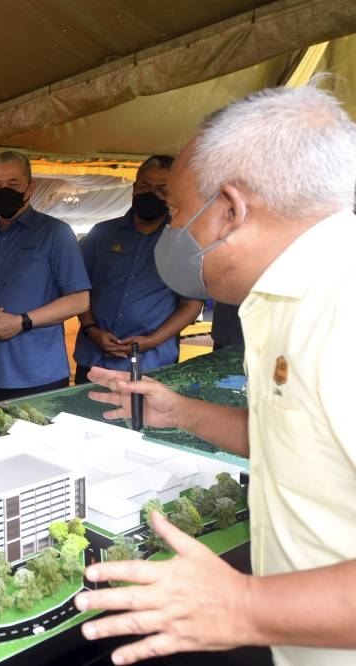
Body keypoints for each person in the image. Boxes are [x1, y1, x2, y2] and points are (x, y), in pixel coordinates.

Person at [74, 84, 356, 666]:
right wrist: (179, 412)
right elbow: (302, 446)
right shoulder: (284, 297)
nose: (173, 231)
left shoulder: (342, 310)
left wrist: (244, 605)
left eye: (177, 211)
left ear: (230, 209)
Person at [0, 151, 90, 407]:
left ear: (30, 188)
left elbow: (80, 300)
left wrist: (22, 322)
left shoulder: (55, 233)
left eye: (13, 184)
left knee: (43, 446)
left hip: (39, 375)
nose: (4, 190)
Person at [73, 156, 203, 383]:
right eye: (144, 186)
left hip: (152, 363)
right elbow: (78, 290)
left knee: (145, 419)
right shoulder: (102, 234)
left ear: (173, 194)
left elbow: (191, 305)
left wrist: (151, 341)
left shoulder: (183, 241)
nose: (151, 194)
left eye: (161, 189)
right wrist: (91, 330)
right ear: (134, 188)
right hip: (94, 356)